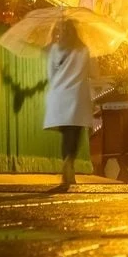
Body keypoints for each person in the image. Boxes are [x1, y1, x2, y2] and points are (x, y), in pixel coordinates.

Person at [44, 18, 94, 187]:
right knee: (76, 131)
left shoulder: (55, 50)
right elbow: (92, 72)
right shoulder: (83, 50)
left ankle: (66, 162)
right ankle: (70, 162)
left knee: (66, 133)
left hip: (59, 95)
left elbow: (50, 75)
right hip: (78, 95)